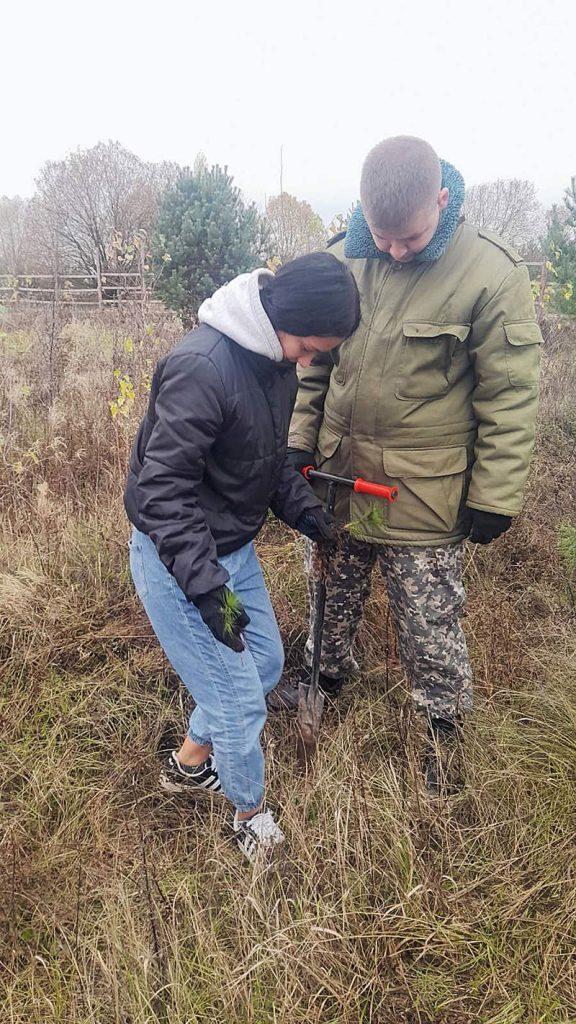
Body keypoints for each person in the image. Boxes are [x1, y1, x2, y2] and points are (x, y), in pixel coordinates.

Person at [288, 136, 542, 794]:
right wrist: (298, 442)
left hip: (421, 494)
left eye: (410, 237)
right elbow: (315, 364)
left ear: (442, 200)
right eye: (383, 237)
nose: (396, 251)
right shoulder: (344, 256)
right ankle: (322, 677)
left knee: (429, 621)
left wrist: (495, 494)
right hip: (338, 477)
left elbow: (509, 396)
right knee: (327, 592)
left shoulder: (489, 274)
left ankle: (444, 729)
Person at [124, 253, 360, 862]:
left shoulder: (274, 365)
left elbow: (266, 460)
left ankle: (188, 764)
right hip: (182, 566)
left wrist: (307, 512)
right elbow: (161, 493)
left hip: (231, 550)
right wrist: (207, 591)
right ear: (285, 318)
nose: (307, 361)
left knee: (266, 663)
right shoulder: (202, 367)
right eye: (307, 348)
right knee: (238, 698)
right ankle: (249, 817)